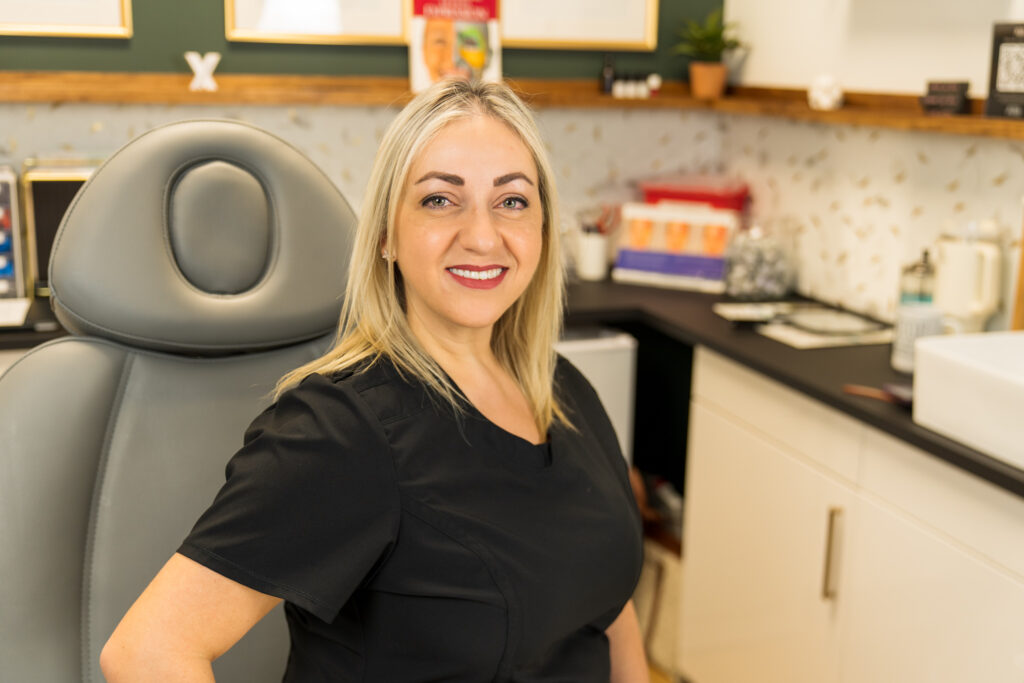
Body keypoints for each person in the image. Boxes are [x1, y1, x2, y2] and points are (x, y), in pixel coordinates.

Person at [101, 79, 648, 682]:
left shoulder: (564, 389)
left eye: (512, 201)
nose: (484, 234)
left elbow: (607, 608)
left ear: (543, 229)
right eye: (440, 199)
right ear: (387, 233)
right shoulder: (343, 428)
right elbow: (147, 652)